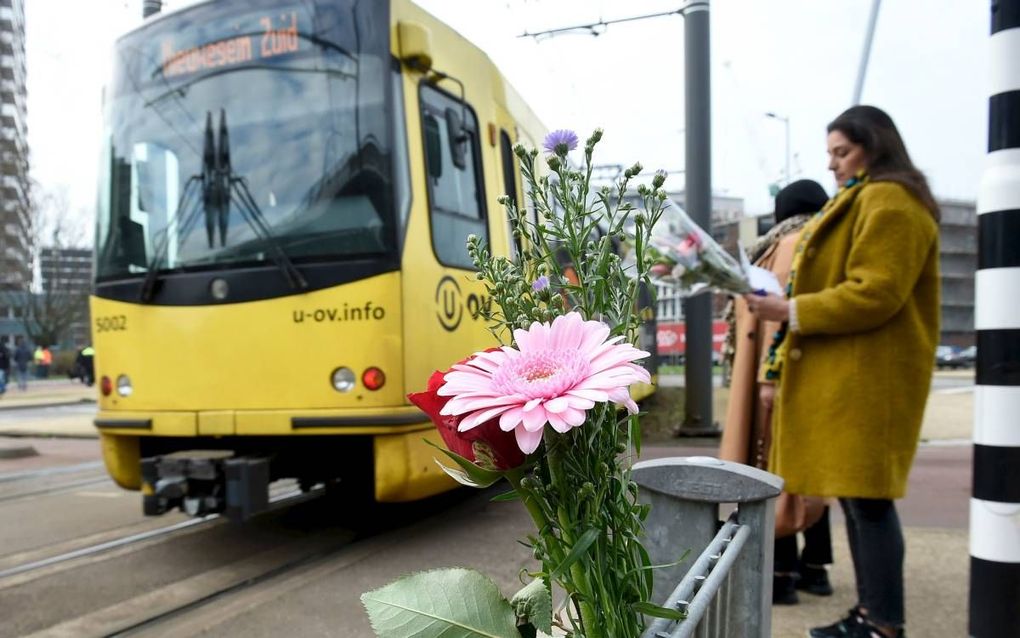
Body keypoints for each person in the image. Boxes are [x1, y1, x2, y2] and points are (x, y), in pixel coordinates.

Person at [746, 105, 940, 638]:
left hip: (869, 381)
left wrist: (789, 311)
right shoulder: (871, 198)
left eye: (842, 152)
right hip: (859, 376)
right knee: (859, 501)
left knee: (869, 503)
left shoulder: (889, 200)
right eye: (830, 153)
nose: (832, 164)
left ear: (874, 146)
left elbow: (877, 292)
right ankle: (872, 615)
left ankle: (882, 623)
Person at [719, 179, 835, 605]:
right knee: (811, 472)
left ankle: (782, 572)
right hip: (806, 375)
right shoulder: (821, 242)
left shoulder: (777, 247)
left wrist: (766, 379)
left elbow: (773, 322)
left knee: (771, 468)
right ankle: (816, 567)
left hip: (772, 379)